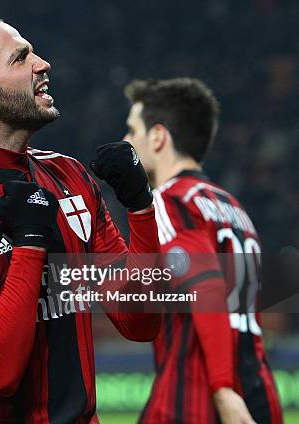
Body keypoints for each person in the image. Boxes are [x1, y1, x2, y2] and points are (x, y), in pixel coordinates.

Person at [0, 10, 162, 422]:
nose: (43, 64)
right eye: (20, 59)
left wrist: (141, 209)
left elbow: (139, 323)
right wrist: (30, 243)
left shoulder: (68, 176)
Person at [122, 78, 282, 424]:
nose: (126, 141)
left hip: (196, 392)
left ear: (158, 137)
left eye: (133, 130)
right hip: (260, 390)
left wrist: (222, 388)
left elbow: (206, 288)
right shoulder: (233, 208)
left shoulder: (169, 201)